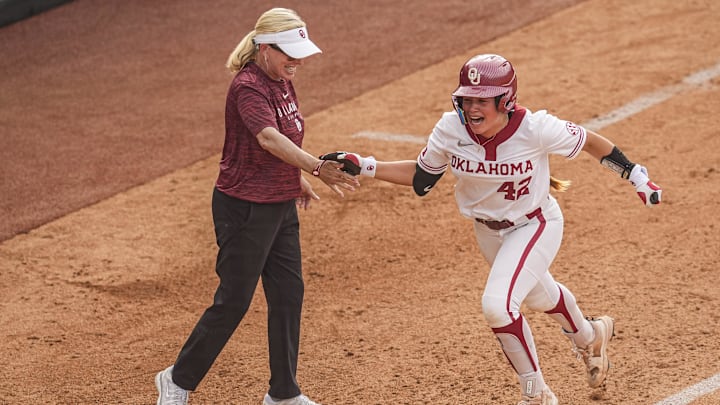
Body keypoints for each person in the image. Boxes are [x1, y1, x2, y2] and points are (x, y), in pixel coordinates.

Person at [320, 54, 662, 405]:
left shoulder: (537, 128)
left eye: (481, 100)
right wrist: (364, 165)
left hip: (535, 224)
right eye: (467, 99)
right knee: (537, 295)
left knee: (498, 306)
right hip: (488, 231)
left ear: (505, 100)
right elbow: (423, 179)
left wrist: (635, 175)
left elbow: (590, 142)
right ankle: (591, 336)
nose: (471, 108)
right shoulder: (450, 130)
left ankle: (536, 394)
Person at [154, 8, 359, 405]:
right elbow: (267, 137)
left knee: (287, 293)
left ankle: (283, 393)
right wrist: (316, 167)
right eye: (288, 52)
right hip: (244, 207)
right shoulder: (248, 86)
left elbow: (282, 135)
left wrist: (294, 178)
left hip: (278, 203)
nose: (296, 60)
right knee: (234, 299)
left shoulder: (280, 78)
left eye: (300, 52)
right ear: (264, 47)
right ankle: (177, 380)